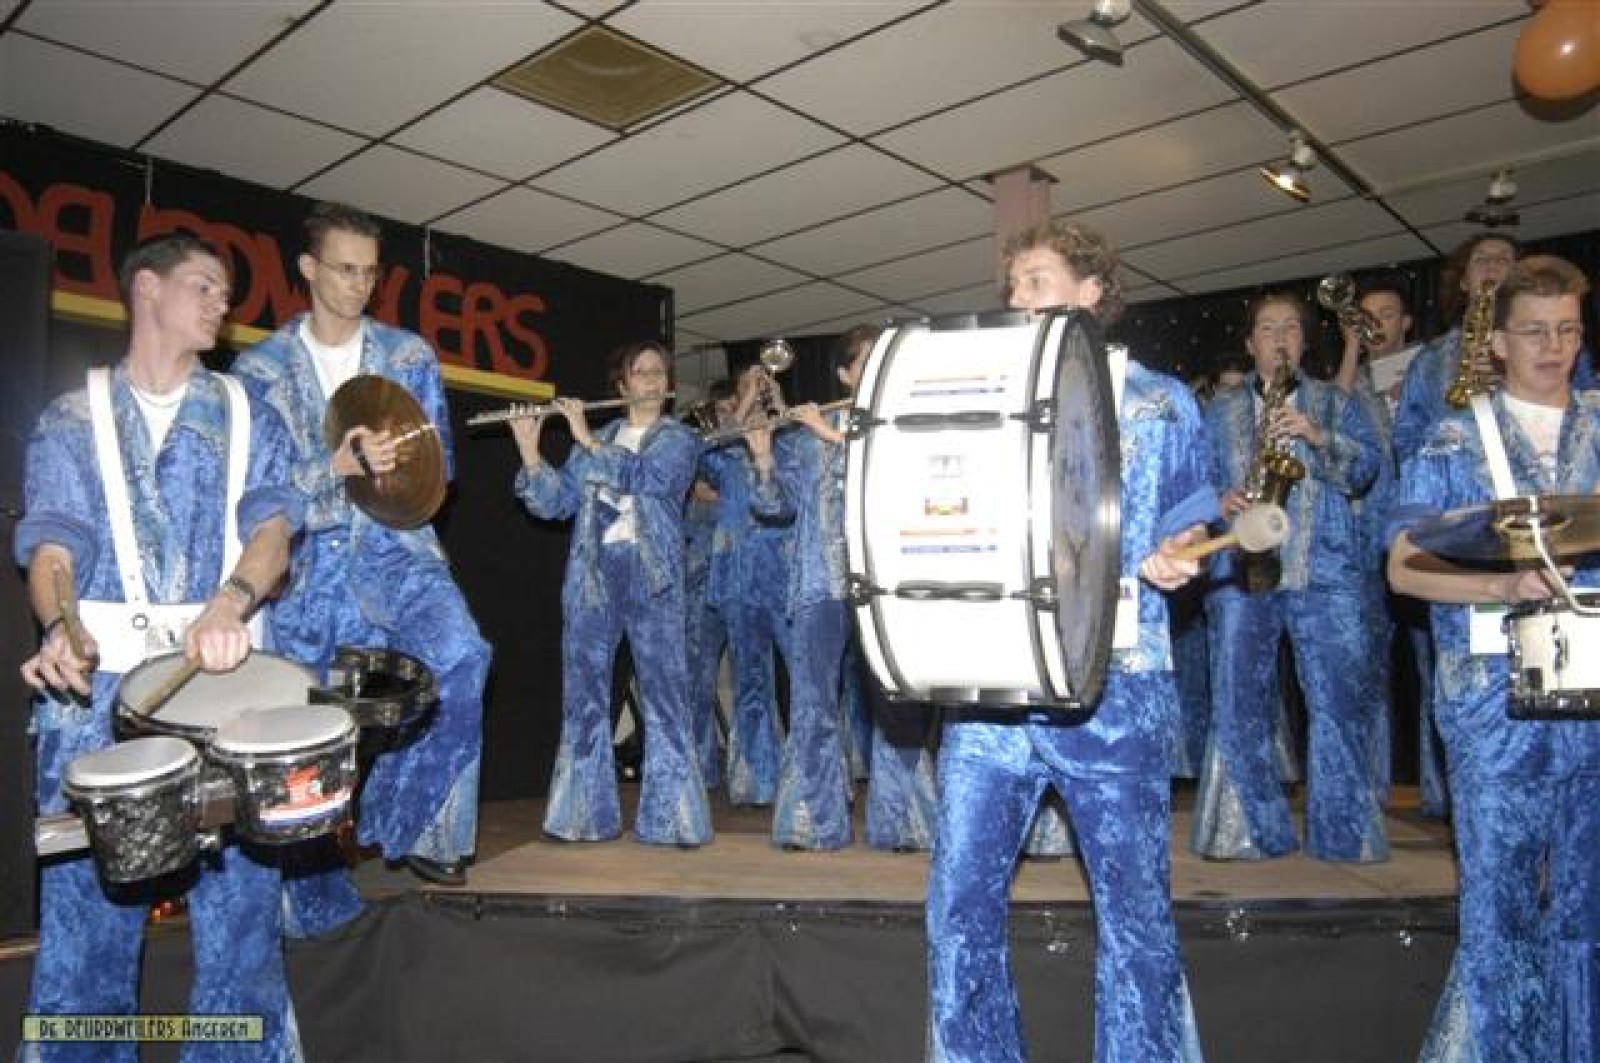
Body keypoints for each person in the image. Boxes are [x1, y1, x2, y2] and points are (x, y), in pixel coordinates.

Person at [926, 219, 1214, 1062]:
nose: (1018, 297)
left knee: (1135, 914)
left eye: (1037, 280)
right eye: (1013, 284)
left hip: (1116, 688)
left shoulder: (1163, 401)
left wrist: (1184, 553)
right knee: (959, 901)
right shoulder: (981, 392)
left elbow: (1196, 521)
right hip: (993, 690)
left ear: (1091, 292)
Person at [16, 233, 305, 1059]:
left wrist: (230, 601)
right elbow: (53, 550)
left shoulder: (249, 411)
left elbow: (274, 531)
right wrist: (61, 626)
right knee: (84, 926)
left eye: (226, 291)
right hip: (100, 695)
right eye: (204, 284)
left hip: (228, 689)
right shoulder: (71, 416)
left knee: (242, 924)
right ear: (147, 287)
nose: (223, 301)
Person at [233, 202, 490, 910]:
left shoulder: (408, 356)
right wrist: (335, 467)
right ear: (308, 268)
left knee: (463, 656)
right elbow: (257, 492)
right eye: (345, 269)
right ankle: (312, 883)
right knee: (306, 722)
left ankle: (417, 825)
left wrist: (398, 465)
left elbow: (441, 469)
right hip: (306, 566)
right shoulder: (260, 370)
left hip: (399, 550)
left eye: (370, 273)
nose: (358, 284)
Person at [1387, 255, 1599, 1063]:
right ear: (1498, 343)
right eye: (1535, 331)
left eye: (1568, 329)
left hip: (1593, 695)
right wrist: (1503, 582)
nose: (1555, 347)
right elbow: (1403, 569)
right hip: (1490, 702)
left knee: (1585, 909)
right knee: (1500, 908)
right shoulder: (1452, 439)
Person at [1192, 290, 1389, 863]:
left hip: (1326, 571)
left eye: (1291, 329)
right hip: (1240, 568)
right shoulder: (1220, 410)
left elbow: (1367, 470)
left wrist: (1319, 437)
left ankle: (1343, 835)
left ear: (1304, 342)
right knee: (1238, 700)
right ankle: (1248, 832)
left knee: (1338, 700)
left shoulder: (1333, 401)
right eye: (1268, 329)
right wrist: (1216, 501)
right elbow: (1193, 477)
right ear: (1250, 344)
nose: (1280, 338)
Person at [511, 342, 711, 846]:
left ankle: (672, 819)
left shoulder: (680, 438)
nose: (651, 380)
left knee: (665, 695)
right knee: (583, 696)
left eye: (658, 372)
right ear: (621, 385)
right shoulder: (598, 437)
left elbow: (652, 480)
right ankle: (583, 815)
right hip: (593, 576)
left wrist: (586, 440)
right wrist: (531, 452)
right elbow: (556, 504)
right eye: (640, 372)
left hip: (654, 577)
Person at [779, 323, 940, 851]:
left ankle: (904, 822)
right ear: (845, 375)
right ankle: (814, 821)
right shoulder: (811, 428)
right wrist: (761, 455)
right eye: (866, 363)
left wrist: (828, 435)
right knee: (812, 700)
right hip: (819, 577)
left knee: (896, 700)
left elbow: (900, 470)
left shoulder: (906, 419)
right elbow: (777, 504)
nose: (877, 371)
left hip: (885, 578)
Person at [697, 366, 791, 806]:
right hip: (738, 578)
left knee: (807, 681)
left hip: (788, 576)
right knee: (751, 680)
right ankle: (757, 780)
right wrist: (748, 399)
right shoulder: (725, 453)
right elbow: (703, 454)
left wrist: (779, 403)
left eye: (760, 392)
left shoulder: (788, 444)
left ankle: (812, 781)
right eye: (746, 392)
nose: (755, 397)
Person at [1392, 234, 1520, 464]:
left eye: (1503, 259)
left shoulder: (1551, 344)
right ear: (1463, 281)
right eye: (1480, 259)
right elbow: (1406, 440)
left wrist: (1515, 381)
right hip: (1455, 480)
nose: (1492, 264)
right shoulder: (1429, 360)